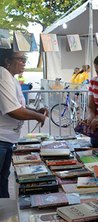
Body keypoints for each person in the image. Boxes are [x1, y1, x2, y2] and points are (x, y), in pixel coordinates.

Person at [0, 48, 48, 198]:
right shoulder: (3, 74)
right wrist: (37, 116)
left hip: (7, 139)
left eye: (25, 59)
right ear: (7, 61)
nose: (24, 63)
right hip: (1, 138)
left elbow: (19, 105)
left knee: (3, 178)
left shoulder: (11, 78)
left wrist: (36, 110)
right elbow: (13, 110)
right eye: (20, 59)